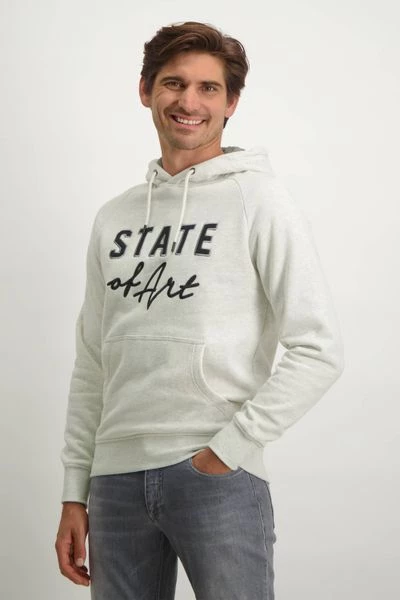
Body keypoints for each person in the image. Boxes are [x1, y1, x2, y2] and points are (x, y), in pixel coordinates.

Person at [55, 21, 344, 600]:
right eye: (174, 83)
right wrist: (74, 490)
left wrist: (226, 452)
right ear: (146, 91)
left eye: (209, 88)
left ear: (231, 103)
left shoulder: (259, 200)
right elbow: (92, 361)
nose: (189, 102)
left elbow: (319, 349)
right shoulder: (114, 217)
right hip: (114, 482)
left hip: (215, 476)